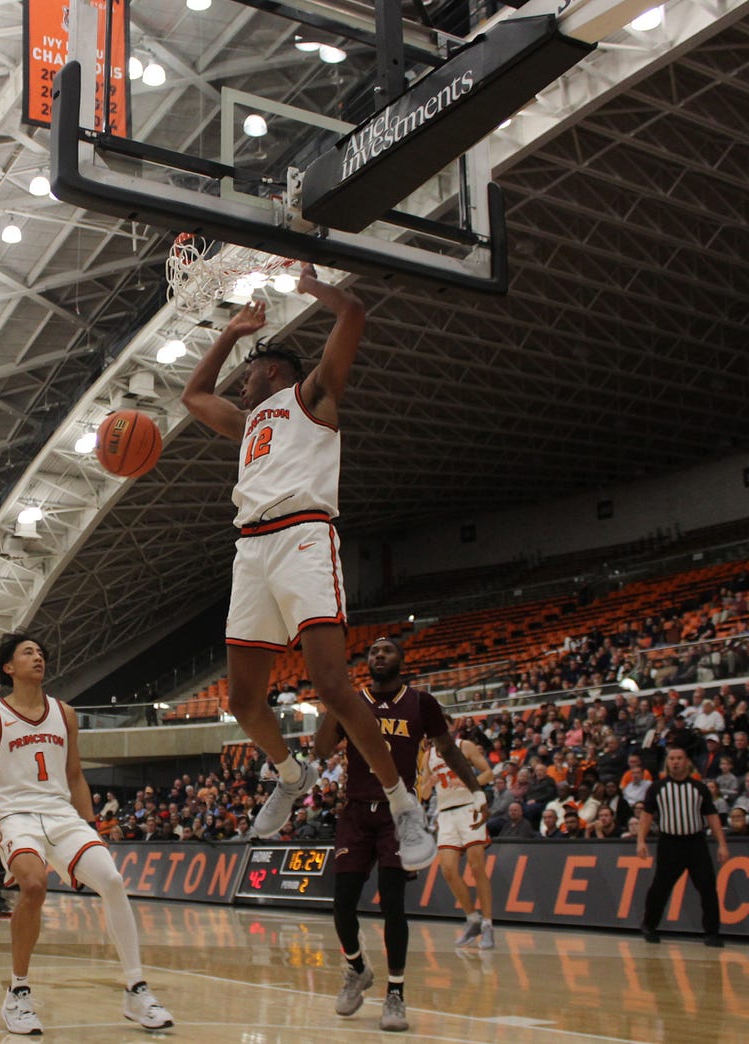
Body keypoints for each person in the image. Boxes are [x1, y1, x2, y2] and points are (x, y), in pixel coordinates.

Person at [181, 274, 433, 869]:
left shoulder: (312, 396)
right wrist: (232, 333)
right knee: (243, 700)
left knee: (332, 685)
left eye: (248, 371)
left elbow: (354, 311)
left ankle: (403, 805)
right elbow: (193, 396)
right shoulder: (247, 427)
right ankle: (291, 776)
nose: (240, 384)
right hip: (251, 548)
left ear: (271, 370)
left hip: (302, 536)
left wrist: (311, 286)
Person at [0, 632, 173, 1035]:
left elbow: (75, 775)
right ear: (9, 667)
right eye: (28, 653)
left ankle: (136, 988)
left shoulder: (65, 713)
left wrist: (90, 825)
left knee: (112, 881)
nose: (38, 657)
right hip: (15, 817)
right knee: (34, 885)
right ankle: (19, 993)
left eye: (41, 653)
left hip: (62, 816)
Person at [314, 637, 483, 1033]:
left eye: (387, 650)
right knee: (341, 906)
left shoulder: (421, 703)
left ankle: (396, 993)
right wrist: (332, 703)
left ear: (401, 660)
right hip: (355, 813)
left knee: (393, 905)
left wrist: (476, 789)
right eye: (373, 651)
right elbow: (321, 749)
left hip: (398, 813)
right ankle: (357, 968)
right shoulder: (351, 700)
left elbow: (449, 749)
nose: (378, 655)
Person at [637, 745, 730, 947]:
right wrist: (641, 841)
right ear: (667, 762)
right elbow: (646, 816)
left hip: (695, 843)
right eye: (672, 759)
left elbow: (712, 818)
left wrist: (722, 844)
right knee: (660, 888)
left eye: (679, 758)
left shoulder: (700, 788)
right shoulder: (657, 788)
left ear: (687, 761)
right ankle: (649, 926)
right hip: (669, 843)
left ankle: (712, 933)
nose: (676, 762)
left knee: (707, 888)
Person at [423, 724, 496, 949]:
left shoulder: (464, 746)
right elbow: (424, 793)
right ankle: (472, 918)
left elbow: (489, 773)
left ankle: (487, 924)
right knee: (447, 869)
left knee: (476, 867)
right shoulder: (427, 756)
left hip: (468, 808)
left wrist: (466, 782)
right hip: (445, 814)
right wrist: (429, 783)